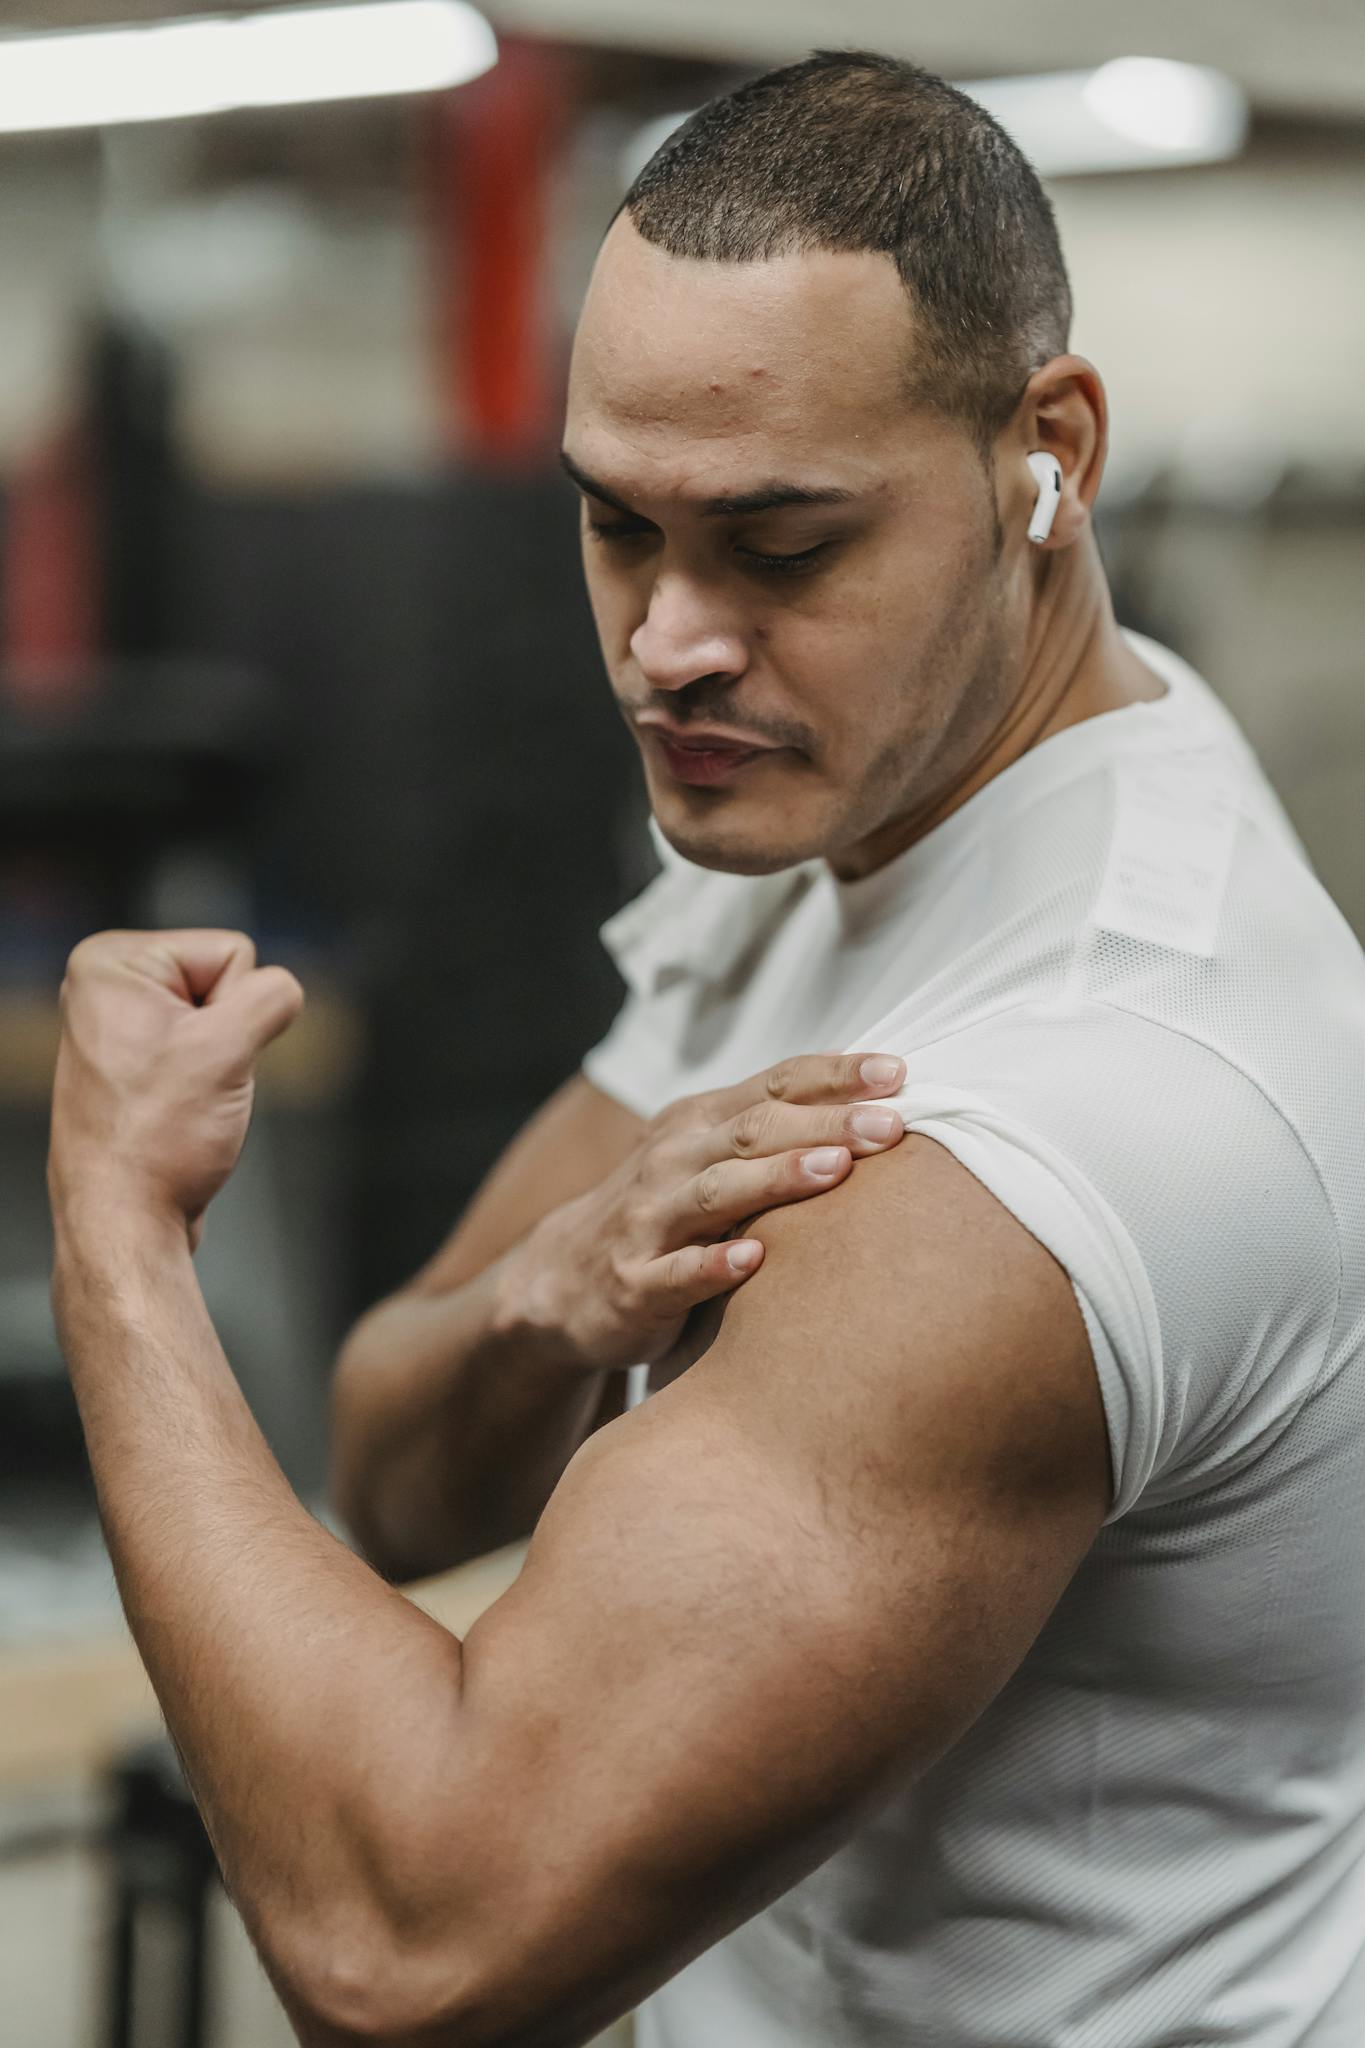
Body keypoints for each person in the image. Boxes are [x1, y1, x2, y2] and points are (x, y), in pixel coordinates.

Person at [47, 49, 1365, 2048]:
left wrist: (123, 1246)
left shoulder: (1045, 1123)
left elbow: (410, 1947)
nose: (667, 644)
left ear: (1049, 458)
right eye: (615, 528)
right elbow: (399, 1482)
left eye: (775, 544)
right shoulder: (843, 805)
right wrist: (543, 1310)